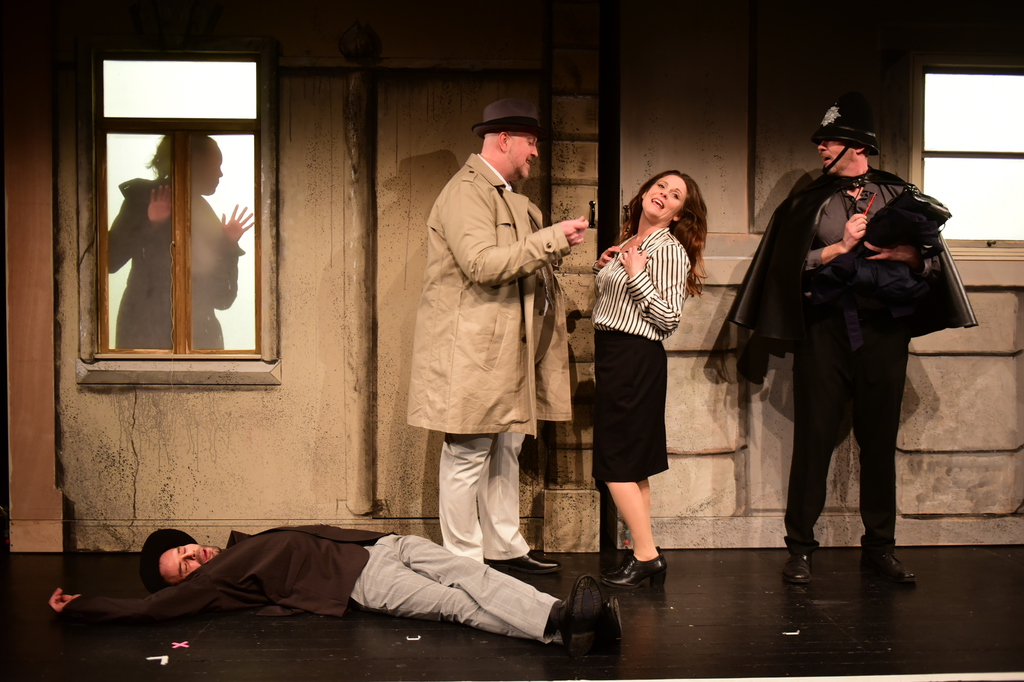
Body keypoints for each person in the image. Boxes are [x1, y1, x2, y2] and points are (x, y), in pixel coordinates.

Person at [727, 92, 976, 584]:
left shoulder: (898, 194)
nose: (820, 148)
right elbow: (784, 267)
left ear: (857, 145)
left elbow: (932, 264)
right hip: (826, 330)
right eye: (821, 141)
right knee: (814, 440)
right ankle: (800, 549)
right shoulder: (807, 203)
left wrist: (910, 256)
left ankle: (880, 548)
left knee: (879, 442)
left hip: (885, 331)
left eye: (830, 140)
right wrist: (837, 249)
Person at [407, 98, 589, 574]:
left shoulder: (510, 197)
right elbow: (482, 265)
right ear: (504, 139)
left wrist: (556, 247)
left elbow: (520, 260)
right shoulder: (467, 192)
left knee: (508, 445)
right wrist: (551, 239)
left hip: (511, 348)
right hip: (476, 351)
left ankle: (504, 547)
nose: (536, 152)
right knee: (468, 454)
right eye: (531, 142)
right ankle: (463, 562)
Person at [48, 525, 620, 658]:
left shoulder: (237, 547)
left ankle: (565, 618)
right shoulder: (215, 581)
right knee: (454, 604)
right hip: (364, 580)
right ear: (187, 582)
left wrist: (380, 539)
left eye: (186, 550)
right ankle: (559, 624)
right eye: (183, 568)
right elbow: (151, 609)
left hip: (381, 545)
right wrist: (82, 608)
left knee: (471, 573)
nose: (195, 559)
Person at [591, 171, 708, 588]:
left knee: (616, 464)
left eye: (675, 195)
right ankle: (644, 552)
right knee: (632, 466)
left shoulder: (669, 249)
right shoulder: (630, 243)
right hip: (615, 355)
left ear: (678, 214)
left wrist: (637, 274)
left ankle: (647, 556)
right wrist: (605, 268)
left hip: (634, 357)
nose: (664, 195)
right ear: (644, 192)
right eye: (661, 186)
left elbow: (668, 318)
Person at [107, 134, 254, 350]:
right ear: (194, 163)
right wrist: (149, 225)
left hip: (195, 341)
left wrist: (228, 245)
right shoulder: (142, 200)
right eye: (215, 165)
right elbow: (110, 261)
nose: (220, 173)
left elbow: (223, 299)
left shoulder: (205, 215)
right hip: (146, 341)